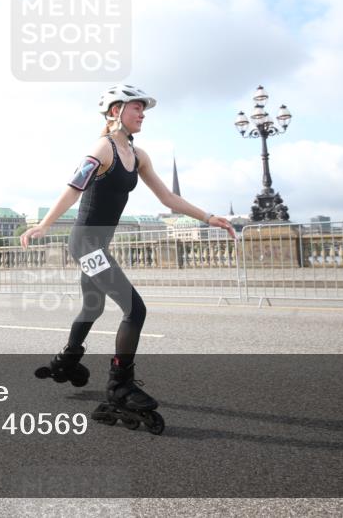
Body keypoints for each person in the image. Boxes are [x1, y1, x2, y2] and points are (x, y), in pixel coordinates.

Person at [21, 84, 236, 418]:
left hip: (98, 245)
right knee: (135, 310)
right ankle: (119, 386)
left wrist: (208, 217)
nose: (142, 115)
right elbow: (73, 189)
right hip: (85, 244)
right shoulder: (101, 149)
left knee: (92, 307)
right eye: (137, 108)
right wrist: (45, 225)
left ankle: (66, 361)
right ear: (114, 111)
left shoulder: (138, 155)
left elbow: (168, 198)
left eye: (143, 110)